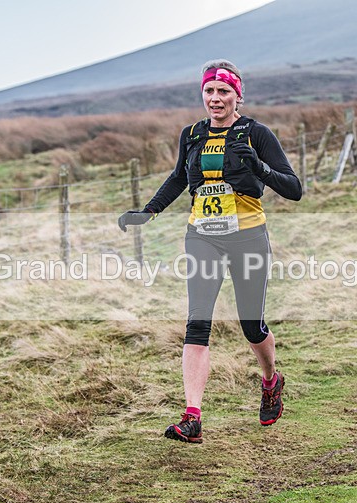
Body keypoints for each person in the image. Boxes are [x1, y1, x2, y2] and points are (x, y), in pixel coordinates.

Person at [118, 59, 302, 444]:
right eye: (209, 91)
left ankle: (271, 380)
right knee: (197, 323)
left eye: (223, 92)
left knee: (251, 324)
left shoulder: (257, 134)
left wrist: (261, 170)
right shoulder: (192, 134)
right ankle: (192, 416)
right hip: (202, 237)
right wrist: (148, 211)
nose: (215, 99)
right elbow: (177, 178)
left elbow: (294, 188)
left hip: (248, 238)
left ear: (238, 95)